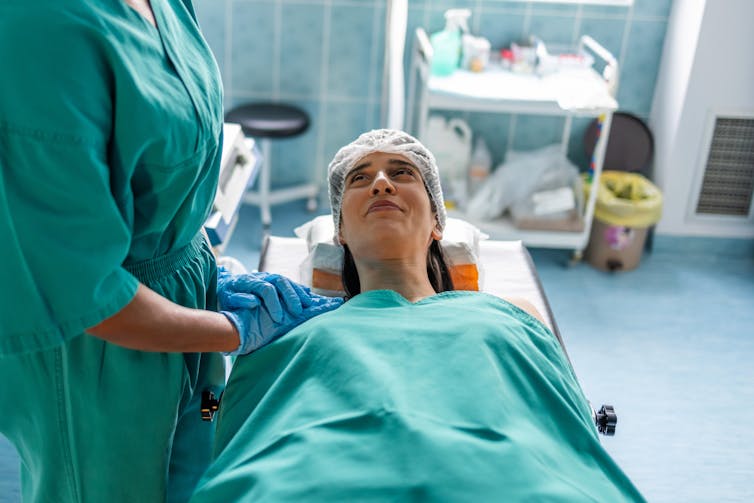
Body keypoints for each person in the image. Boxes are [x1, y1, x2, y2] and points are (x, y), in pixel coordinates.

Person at [190, 130, 646, 502]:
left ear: (437, 223)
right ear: (340, 231)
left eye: (402, 173)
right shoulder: (287, 330)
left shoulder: (508, 315)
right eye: (360, 178)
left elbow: (558, 423)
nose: (382, 182)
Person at [0, 2, 339, 502]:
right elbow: (85, 293)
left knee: (193, 468)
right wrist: (235, 331)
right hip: (102, 361)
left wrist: (197, 271)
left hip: (182, 319)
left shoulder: (167, 6)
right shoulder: (41, 29)